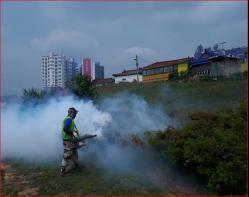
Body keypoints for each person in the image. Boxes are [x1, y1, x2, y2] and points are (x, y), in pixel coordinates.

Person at [60, 107, 80, 176]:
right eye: (75, 114)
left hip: (71, 139)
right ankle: (63, 171)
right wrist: (73, 133)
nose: (75, 115)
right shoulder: (69, 119)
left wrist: (75, 133)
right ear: (71, 113)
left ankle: (77, 166)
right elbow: (65, 128)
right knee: (67, 155)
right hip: (68, 140)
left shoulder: (70, 119)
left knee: (74, 153)